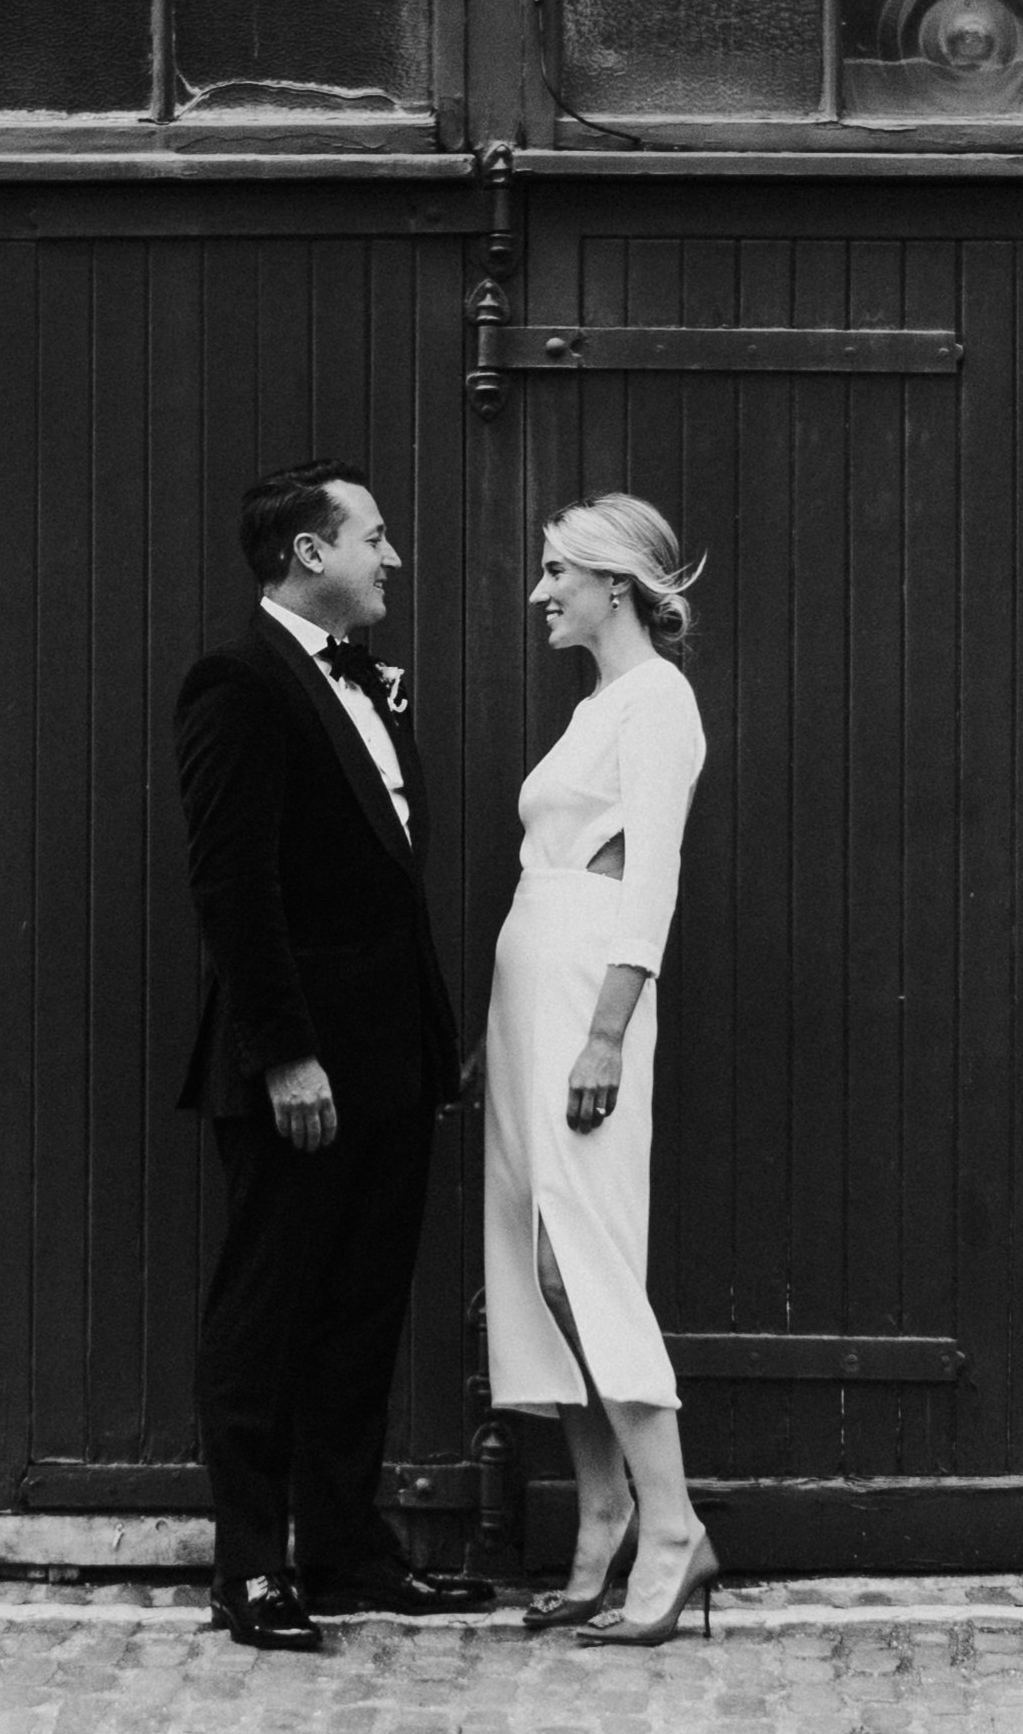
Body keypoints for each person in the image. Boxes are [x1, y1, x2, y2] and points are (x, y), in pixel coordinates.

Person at [176, 458, 492, 1650]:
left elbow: (385, 886)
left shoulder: (364, 683)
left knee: (362, 1307)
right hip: (296, 1069)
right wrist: (285, 1055)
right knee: (266, 1309)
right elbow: (231, 888)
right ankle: (251, 1568)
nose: (390, 557)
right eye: (373, 535)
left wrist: (427, 1036)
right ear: (311, 553)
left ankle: (349, 1547)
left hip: (390, 1063)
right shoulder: (238, 681)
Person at [482, 491, 720, 1646]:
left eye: (555, 575)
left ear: (612, 585)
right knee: (537, 1260)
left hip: (587, 990)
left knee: (588, 1251)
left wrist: (607, 1029)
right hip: (530, 986)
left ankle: (669, 1526)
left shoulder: (657, 701)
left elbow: (652, 877)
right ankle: (601, 1506)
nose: (541, 593)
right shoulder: (596, 706)